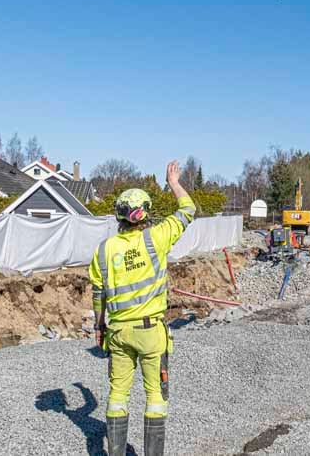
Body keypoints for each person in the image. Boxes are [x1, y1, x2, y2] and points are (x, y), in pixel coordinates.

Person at [90, 160, 196, 456]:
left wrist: (99, 326)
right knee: (155, 397)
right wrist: (173, 183)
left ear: (119, 216)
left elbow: (98, 292)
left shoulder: (104, 250)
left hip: (119, 333)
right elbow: (189, 210)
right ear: (146, 213)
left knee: (118, 396)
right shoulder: (157, 237)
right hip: (151, 332)